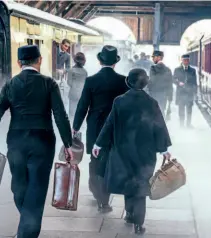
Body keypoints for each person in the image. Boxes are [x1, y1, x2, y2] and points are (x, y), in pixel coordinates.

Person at [0, 45, 73, 238]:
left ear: (19, 63)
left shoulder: (11, 84)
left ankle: (25, 231)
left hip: (17, 140)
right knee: (37, 187)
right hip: (43, 140)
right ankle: (27, 230)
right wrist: (68, 144)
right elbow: (60, 115)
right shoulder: (49, 83)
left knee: (19, 186)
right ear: (39, 60)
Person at [92, 68, 172, 235]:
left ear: (128, 82)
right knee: (141, 185)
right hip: (145, 153)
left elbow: (109, 124)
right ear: (145, 83)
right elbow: (159, 126)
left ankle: (129, 214)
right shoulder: (151, 102)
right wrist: (164, 149)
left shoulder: (119, 101)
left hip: (123, 151)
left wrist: (98, 144)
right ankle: (138, 223)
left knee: (129, 181)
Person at [72, 45, 129, 212]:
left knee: (96, 161)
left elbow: (83, 106)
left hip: (96, 128)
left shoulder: (91, 81)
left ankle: (100, 197)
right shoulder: (123, 81)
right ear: (115, 62)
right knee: (112, 161)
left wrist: (75, 127)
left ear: (99, 61)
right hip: (116, 129)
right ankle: (106, 193)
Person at [173, 54, 197, 127]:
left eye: (187, 60)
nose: (186, 62)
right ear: (182, 60)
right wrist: (178, 83)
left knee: (189, 110)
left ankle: (188, 124)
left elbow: (194, 82)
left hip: (189, 93)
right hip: (180, 93)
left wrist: (195, 93)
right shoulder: (177, 69)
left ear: (189, 61)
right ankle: (181, 124)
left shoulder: (193, 70)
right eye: (184, 60)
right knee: (181, 110)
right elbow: (173, 79)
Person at [148, 50, 173, 115]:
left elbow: (152, 81)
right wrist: (170, 98)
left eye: (154, 57)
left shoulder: (153, 68)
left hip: (154, 94)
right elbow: (170, 85)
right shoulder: (168, 69)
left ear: (159, 57)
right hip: (164, 95)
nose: (152, 58)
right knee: (162, 112)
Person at [67, 52, 88, 122]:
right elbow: (85, 84)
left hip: (73, 94)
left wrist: (74, 86)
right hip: (82, 95)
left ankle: (71, 129)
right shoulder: (85, 72)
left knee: (72, 114)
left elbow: (69, 83)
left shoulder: (71, 70)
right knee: (80, 114)